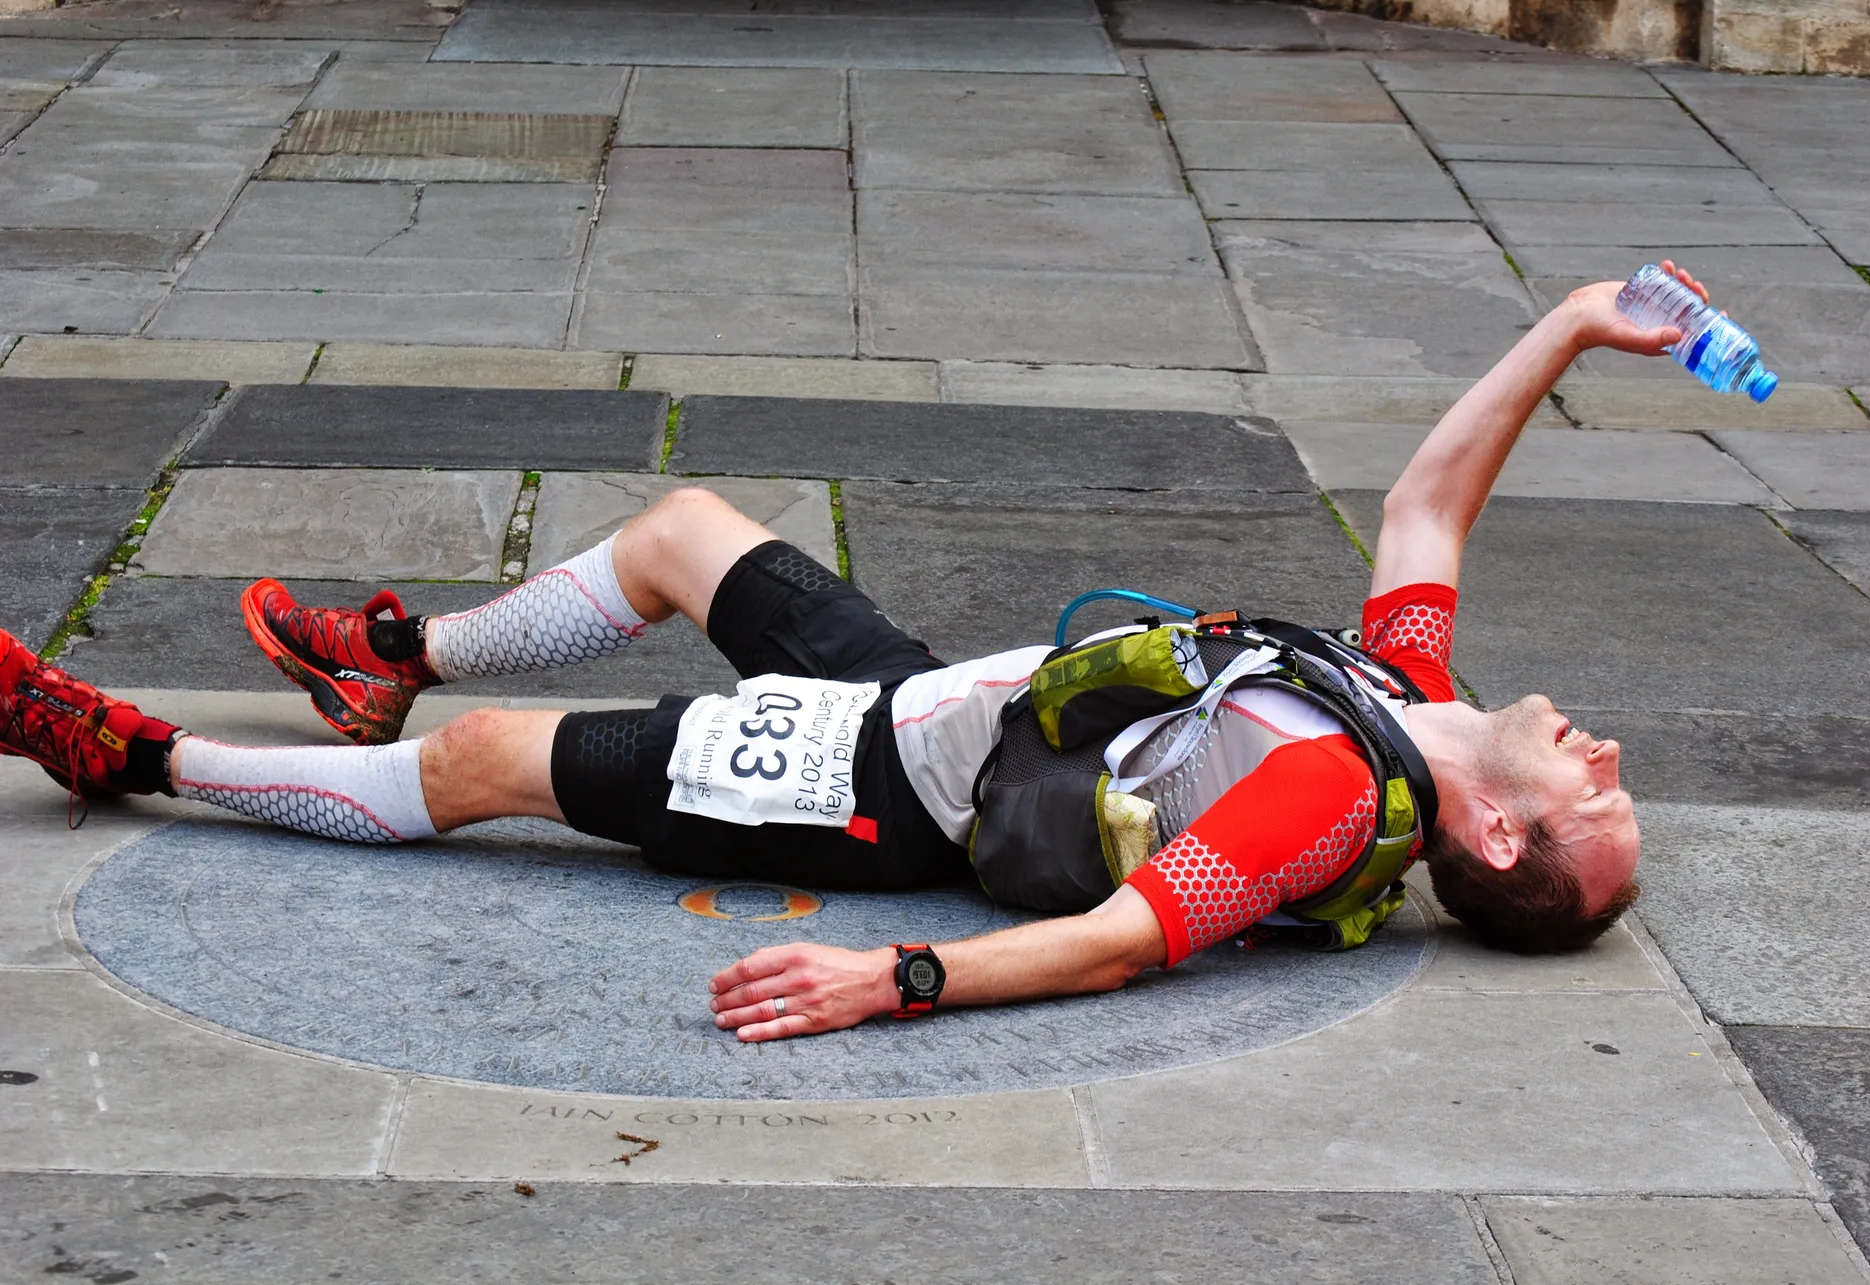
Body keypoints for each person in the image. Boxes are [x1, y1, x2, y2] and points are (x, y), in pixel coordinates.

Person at [0, 265, 1697, 1042]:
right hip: (937, 695)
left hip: (886, 783)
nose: (1603, 755)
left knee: (482, 776)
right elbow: (1424, 508)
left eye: (1588, 798)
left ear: (1493, 838)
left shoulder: (1333, 795)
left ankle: (127, 756)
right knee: (679, 531)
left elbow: (1120, 941)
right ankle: (399, 655)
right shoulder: (1405, 705)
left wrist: (898, 981)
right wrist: (1571, 324)